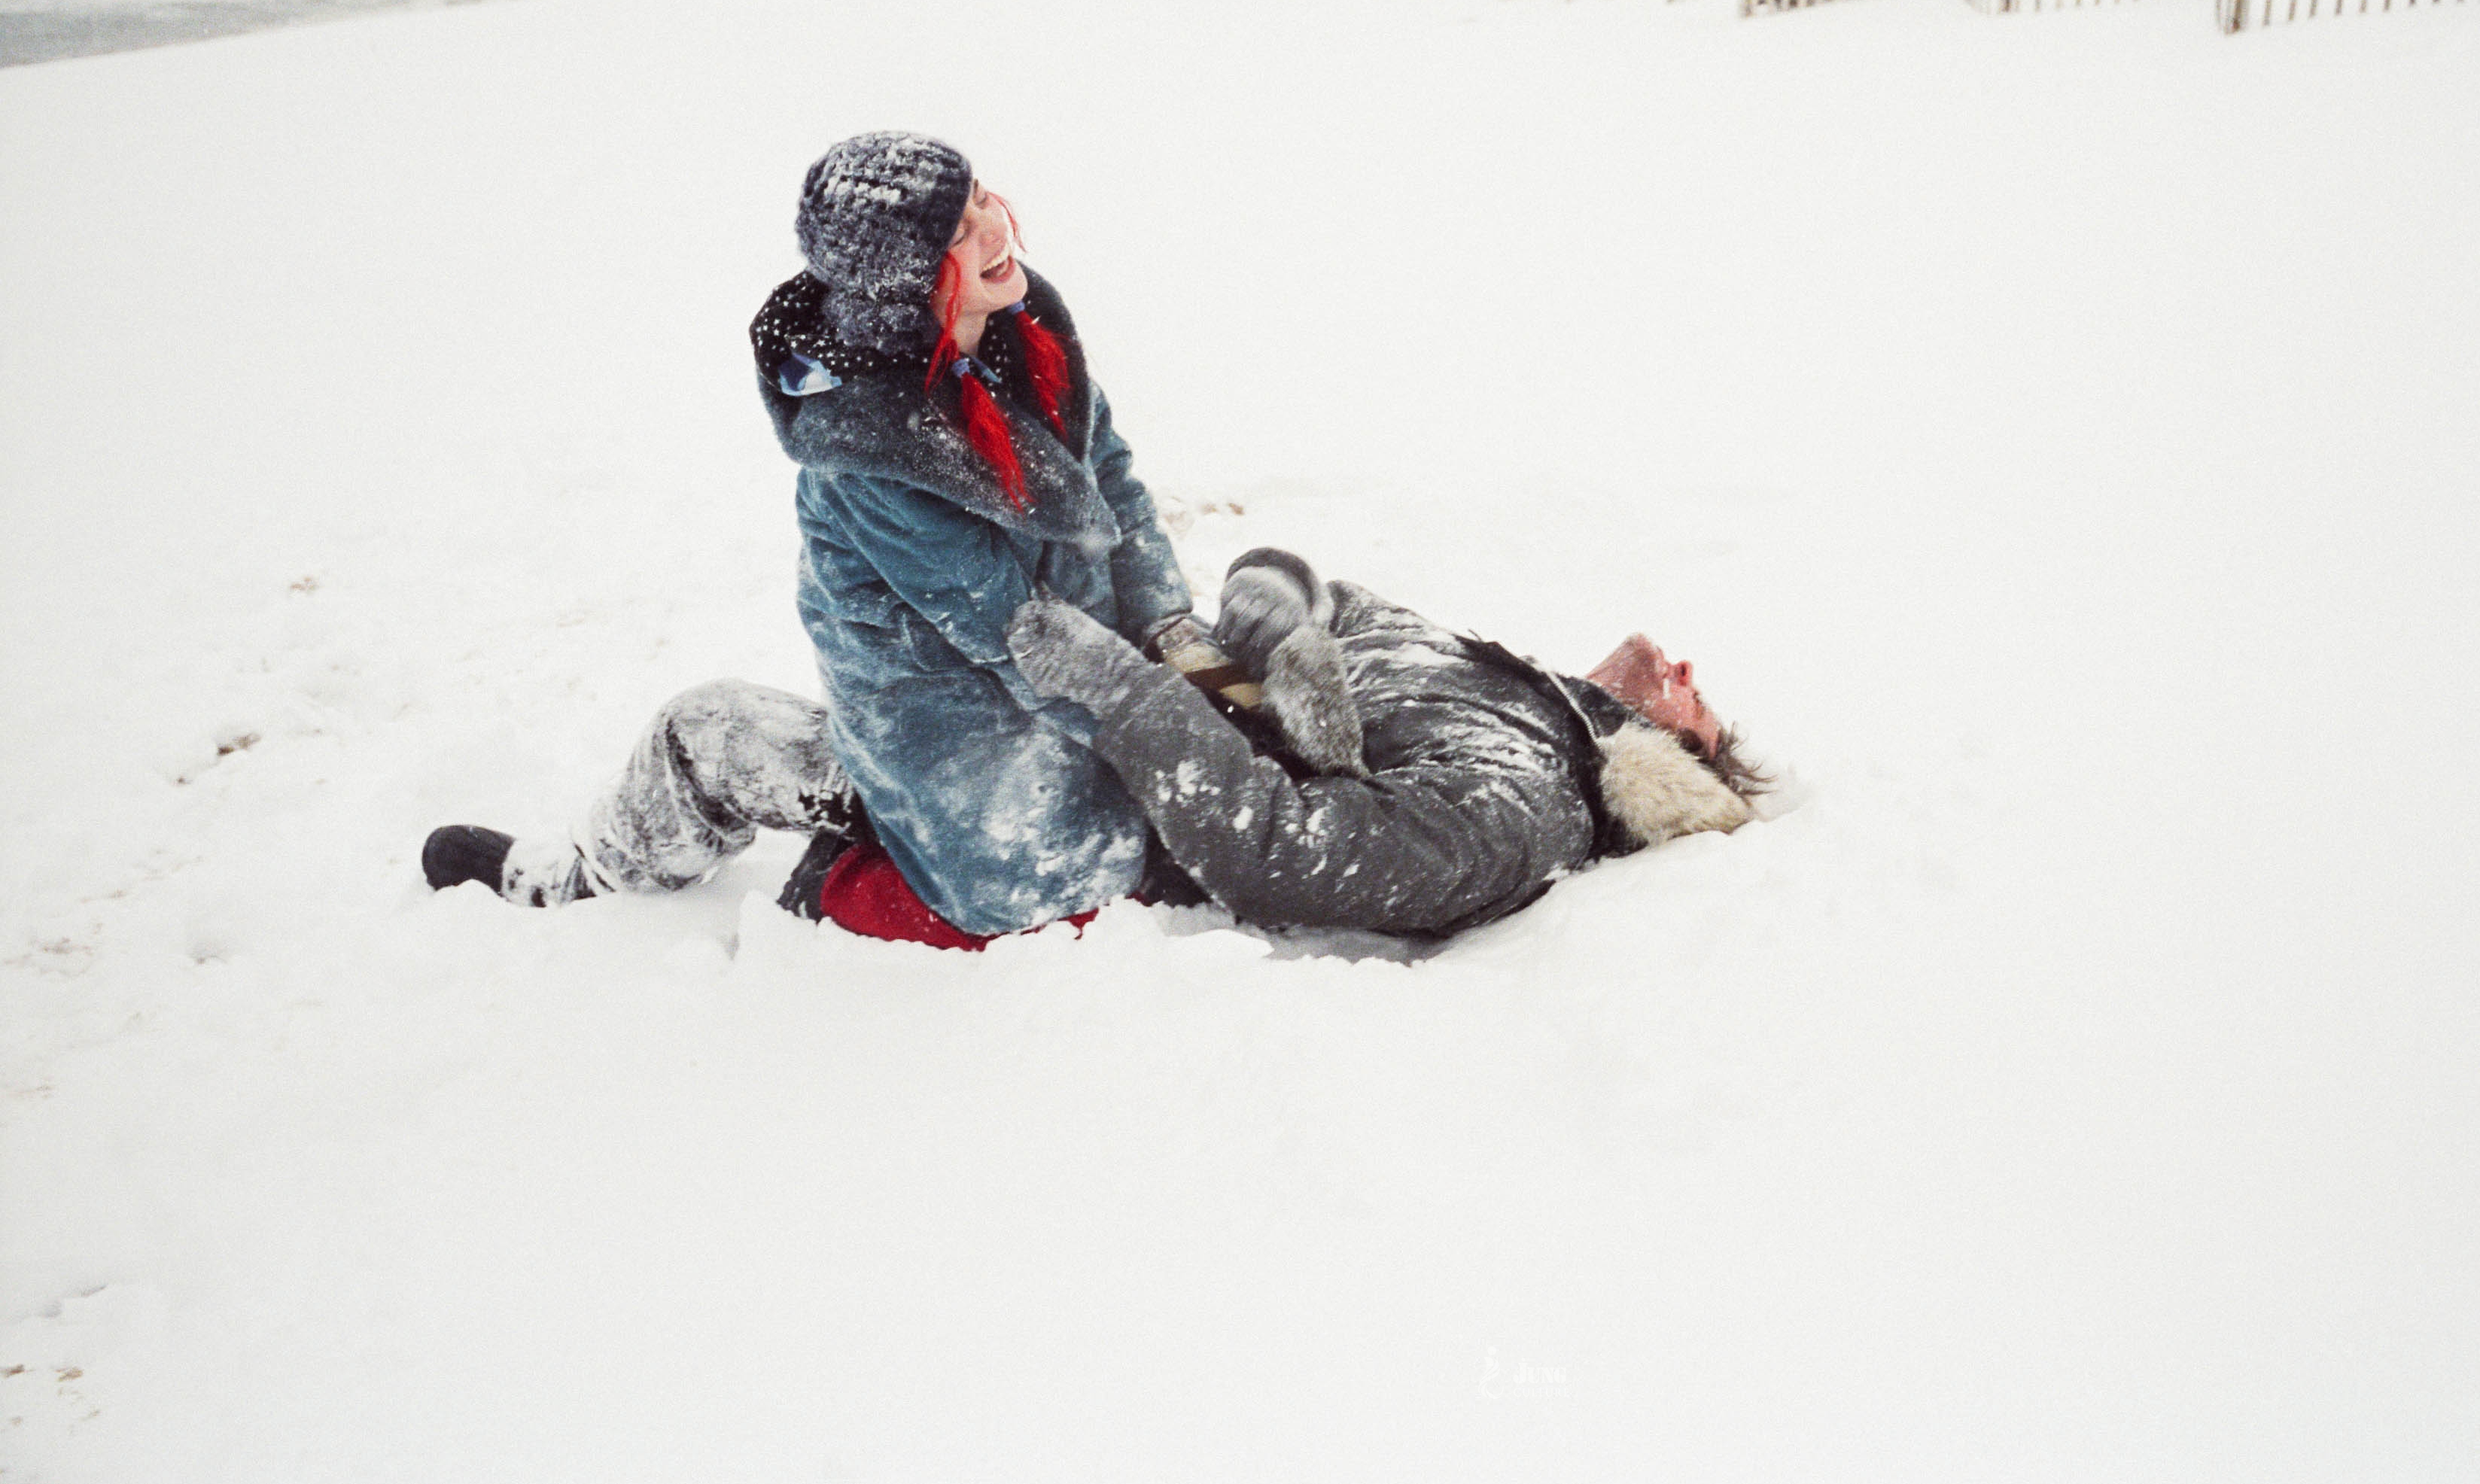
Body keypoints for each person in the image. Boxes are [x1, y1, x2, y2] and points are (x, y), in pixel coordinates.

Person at [422, 131, 1222, 941]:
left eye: (981, 197)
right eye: (954, 231)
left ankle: (791, 879)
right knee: (722, 729)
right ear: (900, 287)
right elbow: (1024, 635)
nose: (991, 227)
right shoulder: (874, 454)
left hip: (1012, 806)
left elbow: (1107, 486)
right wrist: (1173, 711)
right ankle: (595, 881)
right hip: (1038, 730)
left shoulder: (1025, 341)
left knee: (701, 729)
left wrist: (1173, 638)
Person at [996, 547, 1767, 938]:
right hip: (1097, 654)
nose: (1686, 670)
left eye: (1696, 707)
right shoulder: (1507, 683)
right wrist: (1274, 587)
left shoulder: (1524, 803)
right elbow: (1342, 606)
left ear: (1667, 763)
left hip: (1061, 792)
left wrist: (1120, 688)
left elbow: (1284, 850)